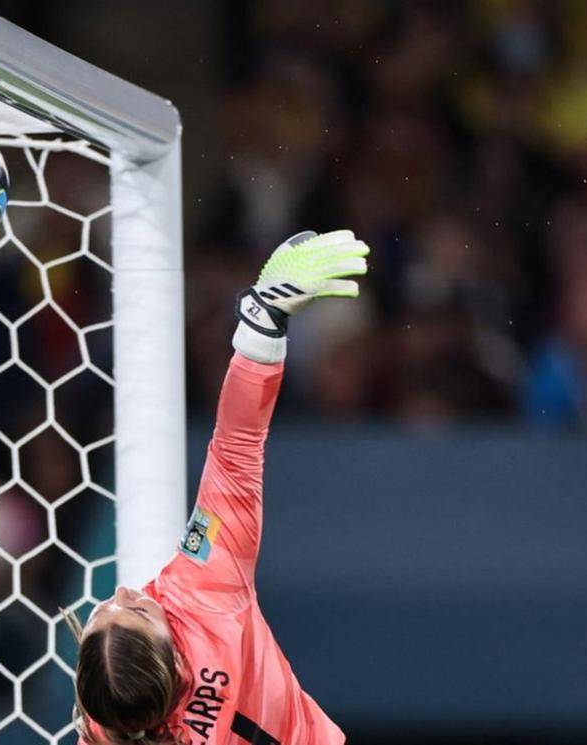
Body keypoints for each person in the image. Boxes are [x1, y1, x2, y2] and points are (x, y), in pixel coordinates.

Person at [67, 230, 369, 745]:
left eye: (101, 617)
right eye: (136, 611)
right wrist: (262, 323)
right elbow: (236, 448)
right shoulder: (208, 591)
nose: (121, 593)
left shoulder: (111, 718)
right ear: (176, 664)